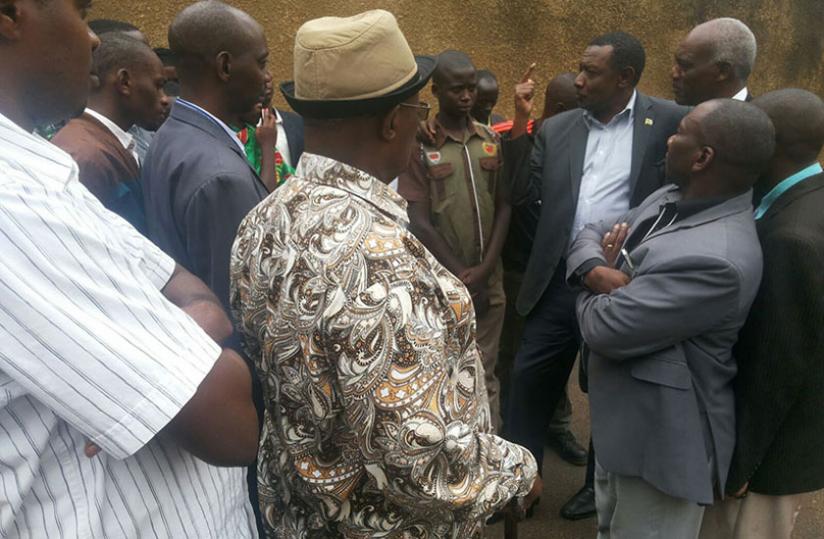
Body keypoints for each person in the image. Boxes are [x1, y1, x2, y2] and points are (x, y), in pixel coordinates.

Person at [230, 10, 539, 537]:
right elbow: (421, 463)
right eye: (418, 110)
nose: (424, 124)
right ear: (392, 122)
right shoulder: (384, 262)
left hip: (298, 515)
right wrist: (516, 472)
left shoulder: (264, 218)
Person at [0, 0, 259, 536]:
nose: (92, 38)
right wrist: (186, 360)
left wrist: (165, 357)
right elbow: (231, 425)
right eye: (79, 9)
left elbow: (196, 294)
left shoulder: (42, 174)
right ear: (9, 13)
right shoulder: (15, 202)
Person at [567, 99, 772, 538]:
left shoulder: (719, 257)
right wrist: (596, 272)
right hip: (621, 429)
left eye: (679, 132)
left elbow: (605, 329)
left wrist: (587, 286)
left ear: (703, 158)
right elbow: (590, 230)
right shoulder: (667, 197)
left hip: (662, 449)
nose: (667, 139)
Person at [503, 31, 688, 519]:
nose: (579, 80)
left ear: (624, 77)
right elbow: (523, 195)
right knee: (528, 380)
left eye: (592, 72)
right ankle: (522, 480)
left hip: (622, 286)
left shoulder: (669, 121)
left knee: (610, 389)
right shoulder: (558, 128)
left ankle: (595, 485)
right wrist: (523, 124)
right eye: (579, 70)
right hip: (559, 281)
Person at [699, 89, 824, 539]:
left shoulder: (792, 238)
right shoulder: (805, 199)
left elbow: (779, 364)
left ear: (768, 144)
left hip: (768, 459)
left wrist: (739, 466)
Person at [399, 50, 510, 432]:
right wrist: (462, 276)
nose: (466, 97)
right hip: (443, 287)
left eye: (471, 88)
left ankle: (492, 460)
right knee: (448, 377)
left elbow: (504, 207)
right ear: (438, 90)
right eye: (456, 89)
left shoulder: (491, 141)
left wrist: (484, 270)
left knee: (486, 373)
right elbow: (419, 221)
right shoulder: (421, 147)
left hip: (489, 285)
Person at [142, 0, 270, 311]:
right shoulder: (220, 176)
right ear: (225, 67)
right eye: (261, 63)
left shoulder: (172, 135)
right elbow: (237, 307)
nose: (267, 76)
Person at [498, 70, 586, 468]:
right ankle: (512, 447)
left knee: (556, 356)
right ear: (565, 108)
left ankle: (558, 425)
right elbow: (510, 197)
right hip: (519, 272)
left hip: (561, 272)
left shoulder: (580, 145)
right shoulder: (512, 137)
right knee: (518, 360)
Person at [52, 33, 168, 234]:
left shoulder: (103, 143)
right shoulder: (86, 156)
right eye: (157, 86)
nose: (165, 99)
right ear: (124, 82)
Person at [235, 75, 304, 191]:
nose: (266, 77)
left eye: (265, 67)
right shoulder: (239, 136)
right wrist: (267, 145)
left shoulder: (298, 123)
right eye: (258, 69)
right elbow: (263, 196)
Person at [672, 17, 757, 105]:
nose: (674, 74)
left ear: (722, 72)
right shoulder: (672, 116)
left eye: (685, 66)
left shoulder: (761, 118)